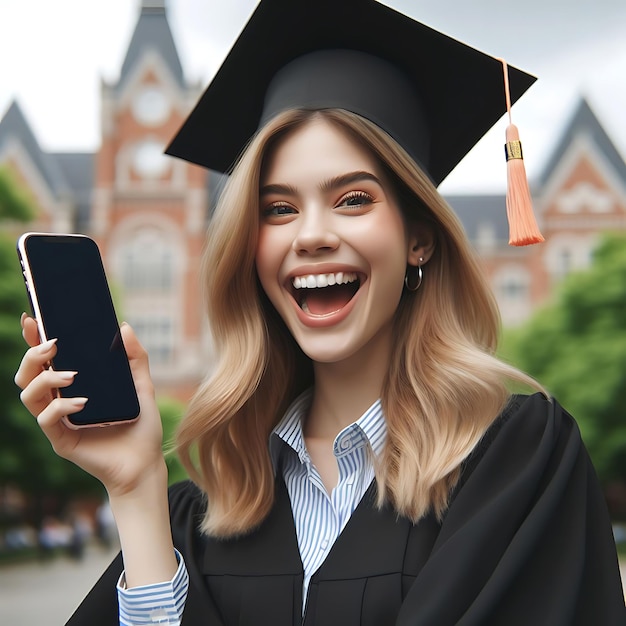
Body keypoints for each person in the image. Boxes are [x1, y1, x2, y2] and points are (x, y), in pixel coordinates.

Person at [14, 0, 625, 624]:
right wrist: (135, 488)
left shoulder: (518, 462)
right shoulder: (210, 506)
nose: (311, 235)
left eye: (353, 199)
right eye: (278, 208)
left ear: (419, 237)